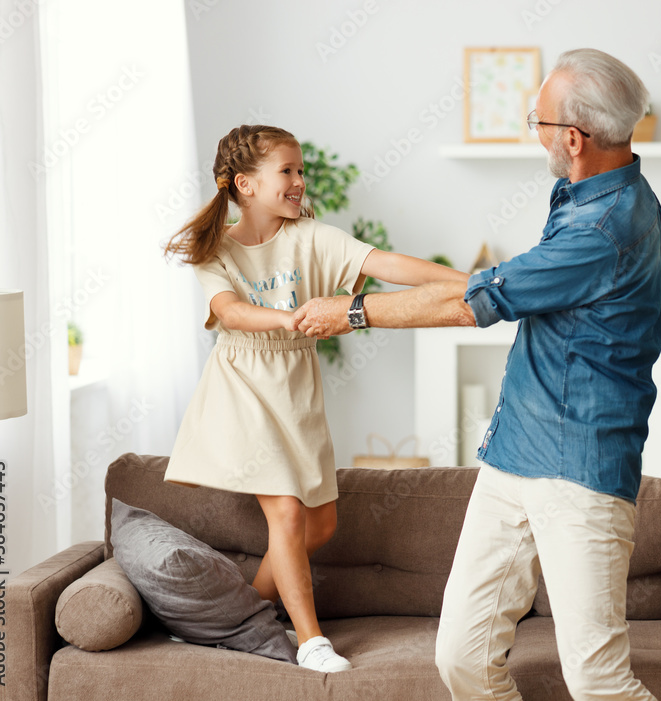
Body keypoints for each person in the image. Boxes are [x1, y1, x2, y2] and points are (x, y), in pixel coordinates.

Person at [294, 48, 661, 700]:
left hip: (580, 467)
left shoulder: (605, 226)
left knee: (599, 681)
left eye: (539, 121)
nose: (535, 132)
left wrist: (352, 311)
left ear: (573, 139)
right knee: (464, 658)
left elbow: (472, 305)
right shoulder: (607, 195)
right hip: (515, 455)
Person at [162, 124, 469, 673]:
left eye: (301, 170)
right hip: (243, 386)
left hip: (296, 388)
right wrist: (290, 319)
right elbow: (231, 312)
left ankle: (231, 621)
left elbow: (387, 264)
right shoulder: (215, 249)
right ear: (245, 184)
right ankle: (310, 642)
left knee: (319, 525)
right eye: (287, 170)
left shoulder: (311, 237)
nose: (300, 180)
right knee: (285, 511)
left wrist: (471, 281)